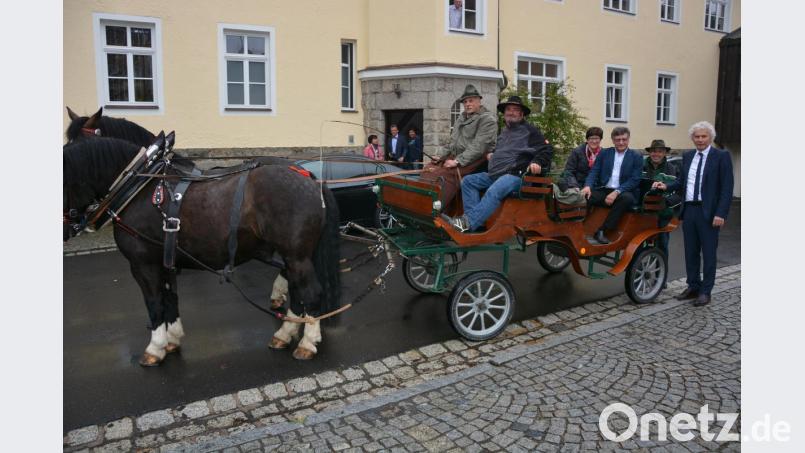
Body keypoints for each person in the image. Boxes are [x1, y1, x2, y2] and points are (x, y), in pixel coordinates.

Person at [652, 121, 733, 307]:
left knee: (709, 253)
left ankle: (706, 291)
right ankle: (693, 286)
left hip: (710, 212)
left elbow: (727, 188)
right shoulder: (688, 156)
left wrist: (721, 213)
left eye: (704, 136)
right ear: (692, 138)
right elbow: (682, 182)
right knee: (691, 252)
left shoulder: (721, 156)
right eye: (697, 136)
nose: (700, 140)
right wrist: (666, 186)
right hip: (689, 210)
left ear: (711, 137)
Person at [442, 96, 553, 232]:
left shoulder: (530, 131)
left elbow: (547, 149)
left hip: (517, 176)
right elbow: (503, 150)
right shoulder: (505, 132)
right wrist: (492, 154)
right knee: (468, 181)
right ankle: (475, 223)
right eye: (508, 109)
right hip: (496, 174)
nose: (511, 112)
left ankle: (467, 223)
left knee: (495, 189)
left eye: (515, 110)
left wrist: (537, 162)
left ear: (521, 114)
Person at [422, 84, 497, 208]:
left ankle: (437, 210)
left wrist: (457, 161)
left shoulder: (487, 120)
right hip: (456, 156)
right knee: (429, 168)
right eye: (465, 102)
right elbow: (452, 142)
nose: (467, 104)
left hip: (476, 160)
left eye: (471, 101)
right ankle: (423, 204)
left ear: (479, 101)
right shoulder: (461, 119)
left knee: (444, 175)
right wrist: (440, 156)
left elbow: (478, 147)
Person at [581, 126, 643, 245]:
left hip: (624, 192)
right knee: (586, 195)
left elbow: (635, 180)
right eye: (618, 139)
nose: (621, 142)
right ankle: (580, 225)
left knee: (627, 199)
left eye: (624, 139)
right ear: (613, 140)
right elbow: (594, 171)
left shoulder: (636, 156)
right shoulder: (605, 153)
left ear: (628, 139)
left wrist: (617, 192)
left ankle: (602, 231)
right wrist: (587, 186)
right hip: (605, 189)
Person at [642, 139, 681, 263]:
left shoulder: (671, 168)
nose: (656, 154)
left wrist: (668, 202)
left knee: (662, 244)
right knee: (639, 245)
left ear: (665, 153)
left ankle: (661, 276)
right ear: (650, 153)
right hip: (643, 212)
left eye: (660, 151)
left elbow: (677, 191)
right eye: (654, 151)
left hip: (663, 212)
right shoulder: (641, 165)